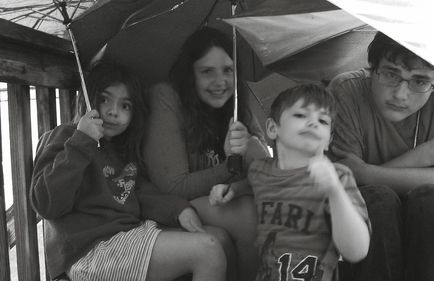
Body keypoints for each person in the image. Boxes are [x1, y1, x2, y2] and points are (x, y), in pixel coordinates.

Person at [30, 62, 227, 281]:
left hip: (129, 237)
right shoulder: (65, 138)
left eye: (125, 106)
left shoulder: (120, 150)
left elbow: (141, 193)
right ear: (87, 97)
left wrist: (178, 209)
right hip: (90, 253)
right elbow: (47, 203)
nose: (114, 112)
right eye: (105, 100)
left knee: (219, 238)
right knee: (208, 251)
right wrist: (81, 141)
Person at [326, 31, 434, 281]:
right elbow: (343, 181)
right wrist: (428, 154)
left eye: (420, 81)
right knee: (376, 201)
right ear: (372, 68)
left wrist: (366, 171)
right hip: (371, 231)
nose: (401, 95)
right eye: (391, 74)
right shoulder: (346, 92)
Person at [143, 27, 268, 281]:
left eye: (228, 70)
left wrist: (251, 148)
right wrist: (229, 164)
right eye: (207, 71)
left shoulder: (236, 102)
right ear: (190, 75)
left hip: (219, 200)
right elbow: (173, 187)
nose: (221, 81)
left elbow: (267, 168)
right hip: (169, 205)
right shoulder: (166, 98)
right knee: (248, 216)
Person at [210, 84, 371, 281]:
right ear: (272, 128)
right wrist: (232, 189)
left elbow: (357, 251)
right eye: (301, 115)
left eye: (322, 120)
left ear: (329, 139)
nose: (313, 123)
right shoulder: (259, 170)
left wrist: (335, 192)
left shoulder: (338, 176)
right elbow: (251, 184)